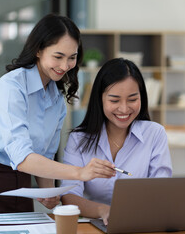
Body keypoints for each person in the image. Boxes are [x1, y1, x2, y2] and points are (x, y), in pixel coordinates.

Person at [0, 13, 116, 216]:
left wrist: (47, 190)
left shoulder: (56, 99)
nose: (65, 66)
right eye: (58, 57)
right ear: (39, 50)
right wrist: (80, 172)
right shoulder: (11, 88)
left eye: (72, 57)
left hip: (22, 184)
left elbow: (44, 154)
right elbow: (22, 157)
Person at [60, 58, 173, 225]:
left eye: (133, 99)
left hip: (142, 224)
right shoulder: (79, 139)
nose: (124, 109)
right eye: (114, 100)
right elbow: (70, 197)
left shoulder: (155, 134)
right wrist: (103, 211)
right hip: (93, 225)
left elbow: (162, 191)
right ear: (100, 99)